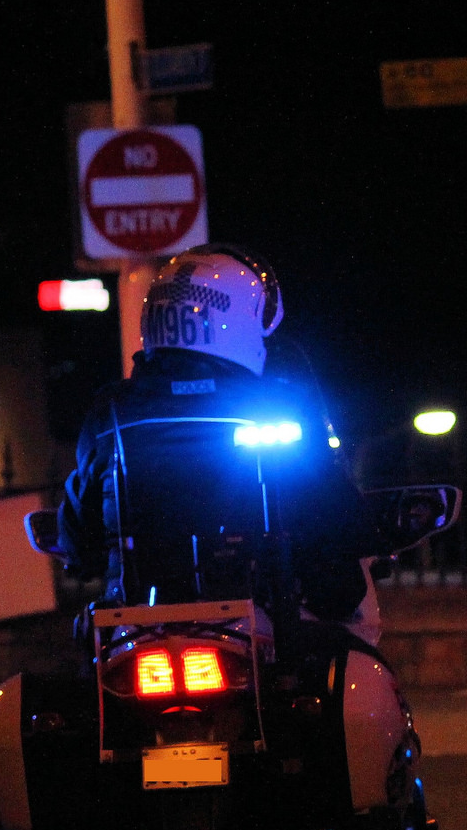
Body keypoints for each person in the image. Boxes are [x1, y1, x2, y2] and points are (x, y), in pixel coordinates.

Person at [56, 245, 378, 642]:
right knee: (357, 665)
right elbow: (334, 515)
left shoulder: (111, 411)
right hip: (266, 625)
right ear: (241, 319)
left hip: (136, 629)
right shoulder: (280, 403)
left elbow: (78, 536)